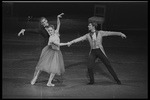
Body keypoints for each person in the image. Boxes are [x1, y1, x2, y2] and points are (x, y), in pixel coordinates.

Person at [30, 13, 69, 87]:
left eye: (51, 30)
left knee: (54, 67)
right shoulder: (51, 38)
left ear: (53, 30)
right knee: (42, 66)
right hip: (49, 51)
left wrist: (57, 17)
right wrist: (67, 43)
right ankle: (35, 78)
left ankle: (49, 82)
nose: (50, 32)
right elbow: (58, 44)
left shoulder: (56, 33)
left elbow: (58, 25)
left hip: (56, 52)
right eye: (49, 31)